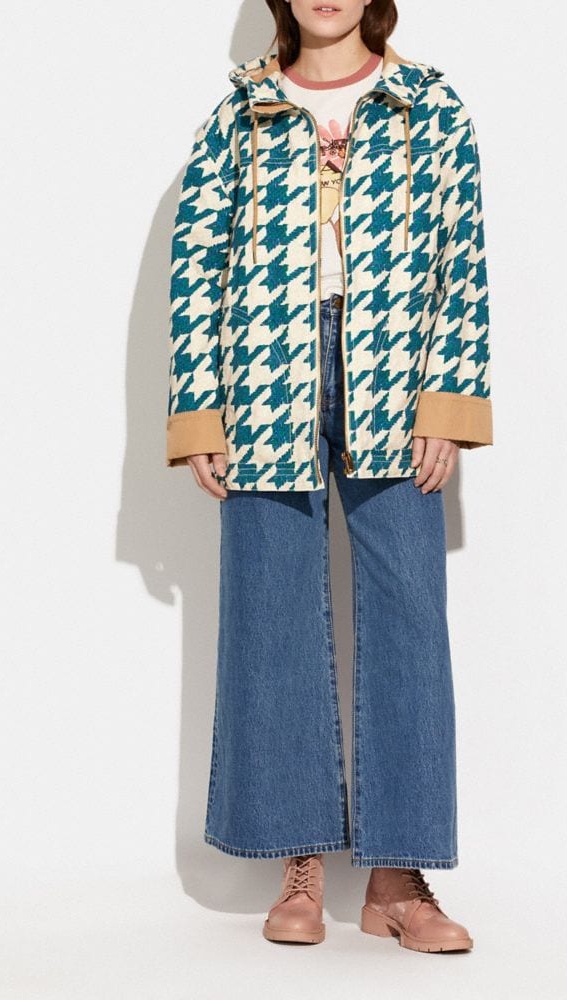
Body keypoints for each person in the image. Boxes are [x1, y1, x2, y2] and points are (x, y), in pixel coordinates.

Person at [166, 0, 492, 953]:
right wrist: (201, 409)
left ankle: (398, 880)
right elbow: (197, 266)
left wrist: (447, 400)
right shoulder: (239, 113)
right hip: (263, 373)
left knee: (408, 615)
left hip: (396, 369)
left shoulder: (430, 105)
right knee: (270, 610)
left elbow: (463, 258)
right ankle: (298, 863)